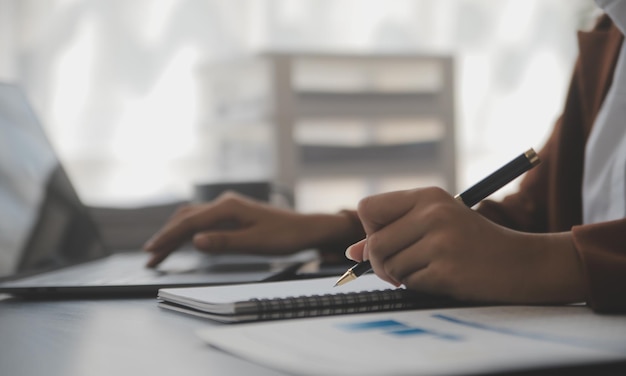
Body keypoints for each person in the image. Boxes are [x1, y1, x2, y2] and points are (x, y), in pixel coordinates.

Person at [144, 1, 626, 313]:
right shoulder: (610, 36)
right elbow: (533, 218)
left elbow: (536, 250)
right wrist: (331, 230)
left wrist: (549, 265)